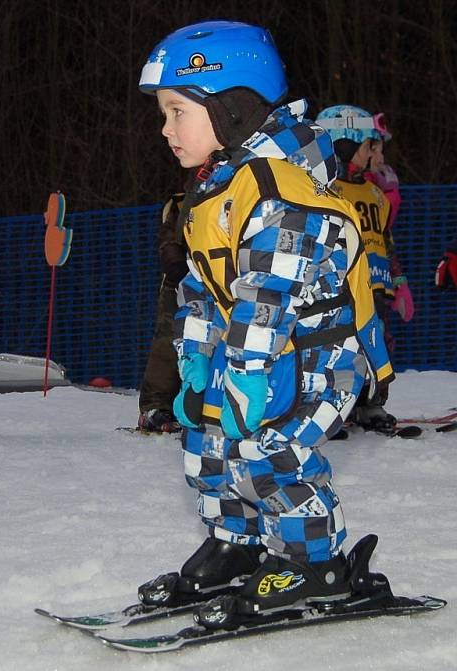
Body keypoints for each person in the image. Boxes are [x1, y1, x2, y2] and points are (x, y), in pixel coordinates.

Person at [134, 20, 393, 623]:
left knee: (269, 449)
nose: (165, 128)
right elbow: (200, 289)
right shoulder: (217, 190)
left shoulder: (281, 193)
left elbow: (266, 299)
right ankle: (240, 544)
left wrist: (247, 374)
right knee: (208, 441)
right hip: (252, 353)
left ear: (229, 109)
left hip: (317, 358)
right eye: (163, 113)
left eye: (177, 111)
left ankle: (315, 563)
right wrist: (196, 364)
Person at [315, 105, 410, 431]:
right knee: (336, 348)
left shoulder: (373, 192)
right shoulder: (327, 190)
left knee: (378, 343)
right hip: (340, 287)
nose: (377, 154)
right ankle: (332, 408)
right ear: (346, 143)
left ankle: (371, 403)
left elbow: (385, 239)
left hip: (375, 286)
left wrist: (399, 281)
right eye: (371, 145)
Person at [137, 193, 185, 433]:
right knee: (169, 344)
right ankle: (155, 408)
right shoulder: (181, 201)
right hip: (180, 283)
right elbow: (169, 237)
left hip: (221, 282)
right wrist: (175, 261)